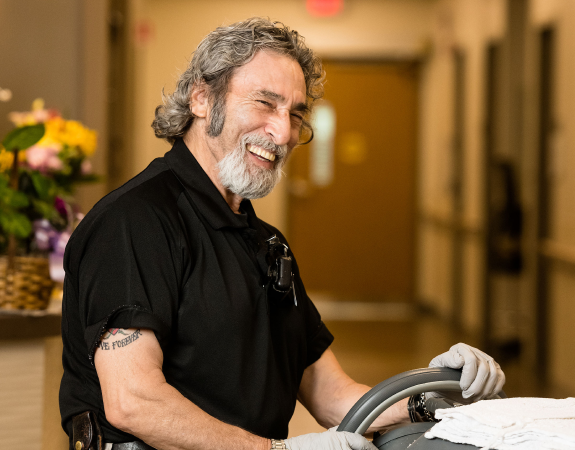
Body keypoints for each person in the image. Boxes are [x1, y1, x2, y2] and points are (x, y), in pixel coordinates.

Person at [59, 17, 506, 450]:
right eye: (264, 103)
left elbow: (332, 396)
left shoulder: (266, 244)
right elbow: (134, 402)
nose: (283, 132)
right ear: (201, 99)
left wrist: (437, 397)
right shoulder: (135, 220)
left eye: (295, 114)